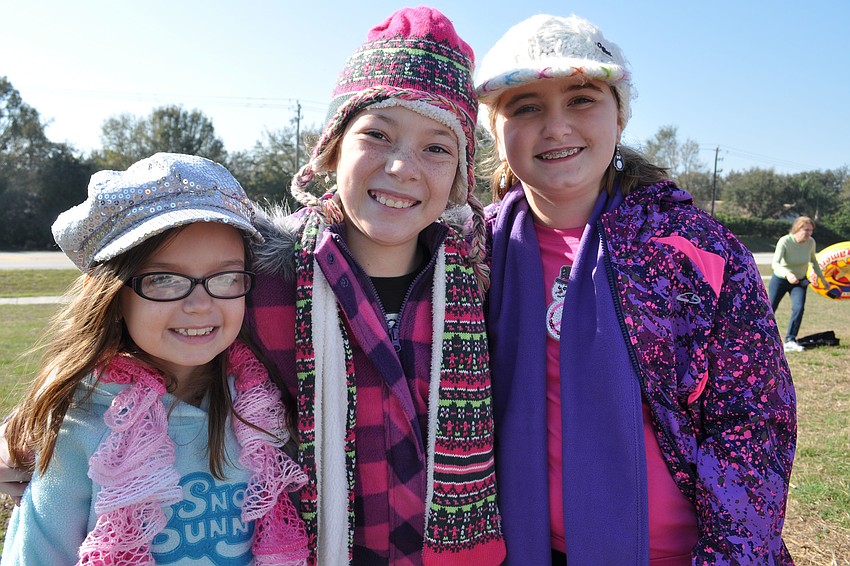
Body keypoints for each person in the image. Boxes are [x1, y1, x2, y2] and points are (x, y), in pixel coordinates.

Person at [475, 14, 796, 565]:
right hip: (522, 548)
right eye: (525, 106)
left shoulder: (697, 252)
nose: (556, 127)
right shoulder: (471, 252)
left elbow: (752, 421)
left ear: (619, 115)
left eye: (582, 98)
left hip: (675, 554)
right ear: (495, 133)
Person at [244, 6, 504, 565]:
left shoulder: (484, 282)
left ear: (459, 177)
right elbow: (159, 371)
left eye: (437, 147)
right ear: (332, 148)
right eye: (378, 135)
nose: (401, 167)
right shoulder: (261, 281)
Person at [1, 153, 308, 565]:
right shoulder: (80, 427)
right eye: (164, 279)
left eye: (227, 277)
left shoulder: (261, 407)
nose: (201, 304)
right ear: (113, 294)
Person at [769, 215, 828, 352]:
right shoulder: (785, 241)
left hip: (799, 282)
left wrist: (822, 280)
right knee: (770, 309)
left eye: (811, 230)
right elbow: (775, 263)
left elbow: (813, 261)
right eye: (806, 230)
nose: (809, 233)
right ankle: (761, 337)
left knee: (799, 308)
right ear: (797, 229)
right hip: (780, 280)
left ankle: (790, 339)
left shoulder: (811, 242)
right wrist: (788, 274)